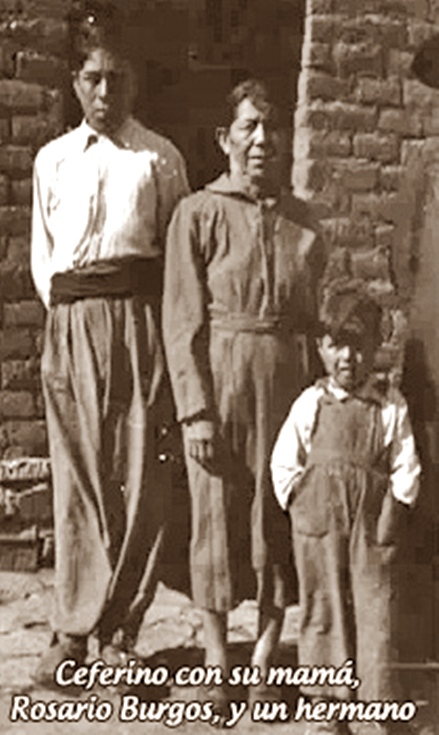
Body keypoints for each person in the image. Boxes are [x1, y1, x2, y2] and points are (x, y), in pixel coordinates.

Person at [31, 0, 189, 683]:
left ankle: (121, 633)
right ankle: (73, 629)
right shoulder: (52, 161)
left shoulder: (158, 158)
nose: (104, 92)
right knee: (78, 482)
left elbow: (176, 255)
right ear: (75, 82)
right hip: (71, 326)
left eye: (116, 79)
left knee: (138, 477)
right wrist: (69, 325)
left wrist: (145, 329)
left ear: (134, 82)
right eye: (93, 78)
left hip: (137, 324)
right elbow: (44, 256)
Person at [162, 79, 325, 713]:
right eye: (248, 127)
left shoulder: (305, 223)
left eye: (271, 127)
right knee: (216, 520)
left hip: (287, 386)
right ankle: (216, 660)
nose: (262, 139)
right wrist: (195, 411)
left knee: (278, 518)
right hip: (222, 383)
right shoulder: (198, 214)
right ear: (223, 139)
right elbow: (181, 321)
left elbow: (316, 321)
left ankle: (262, 658)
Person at [271, 279, 421, 735]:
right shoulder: (310, 403)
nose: (347, 357)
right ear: (321, 347)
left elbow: (405, 463)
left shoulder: (388, 405)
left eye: (358, 345)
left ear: (376, 347)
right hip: (319, 521)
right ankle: (325, 708)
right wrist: (299, 502)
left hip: (372, 524)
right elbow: (284, 461)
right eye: (337, 345)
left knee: (376, 610)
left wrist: (396, 508)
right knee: (322, 607)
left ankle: (380, 705)